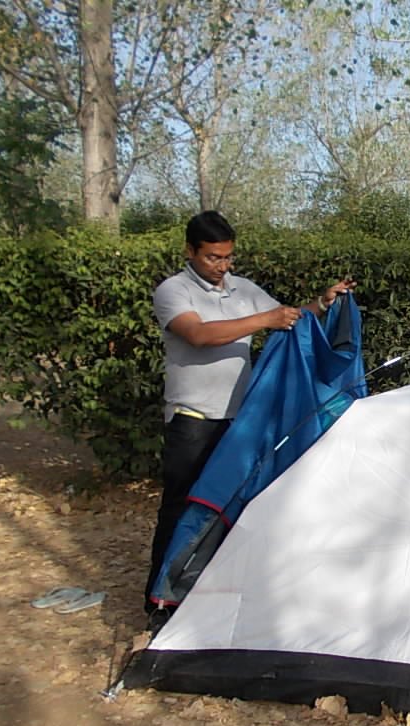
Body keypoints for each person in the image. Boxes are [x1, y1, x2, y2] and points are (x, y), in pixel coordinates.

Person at [145, 210, 355, 621]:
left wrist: (321, 304)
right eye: (213, 257)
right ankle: (160, 603)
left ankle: (207, 598)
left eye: (228, 257)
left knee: (230, 507)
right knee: (183, 508)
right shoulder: (174, 291)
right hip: (194, 419)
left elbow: (289, 318)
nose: (222, 266)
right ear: (190, 251)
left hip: (239, 423)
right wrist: (266, 320)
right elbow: (199, 335)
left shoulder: (243, 289)